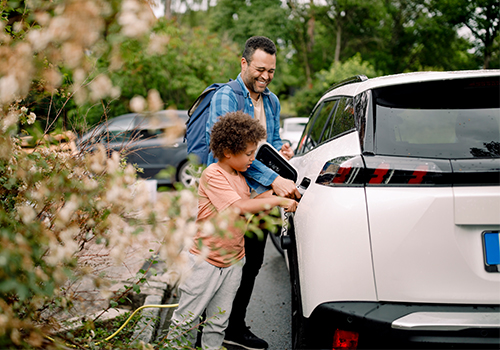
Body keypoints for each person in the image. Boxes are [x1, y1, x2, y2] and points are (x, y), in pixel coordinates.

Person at [168, 111, 298, 350]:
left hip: (233, 262)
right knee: (187, 320)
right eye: (248, 153)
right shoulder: (213, 175)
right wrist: (279, 202)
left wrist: (281, 193)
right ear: (228, 152)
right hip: (205, 262)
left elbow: (253, 202)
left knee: (219, 320)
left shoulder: (239, 176)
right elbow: (239, 207)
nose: (252, 159)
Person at [207, 36, 300, 350]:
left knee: (252, 263)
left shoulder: (271, 101)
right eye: (260, 69)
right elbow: (228, 150)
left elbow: (266, 147)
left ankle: (234, 327)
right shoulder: (226, 97)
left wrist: (280, 156)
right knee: (221, 265)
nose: (266, 76)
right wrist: (275, 179)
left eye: (271, 71)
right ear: (243, 63)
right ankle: (202, 332)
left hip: (260, 199)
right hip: (231, 196)